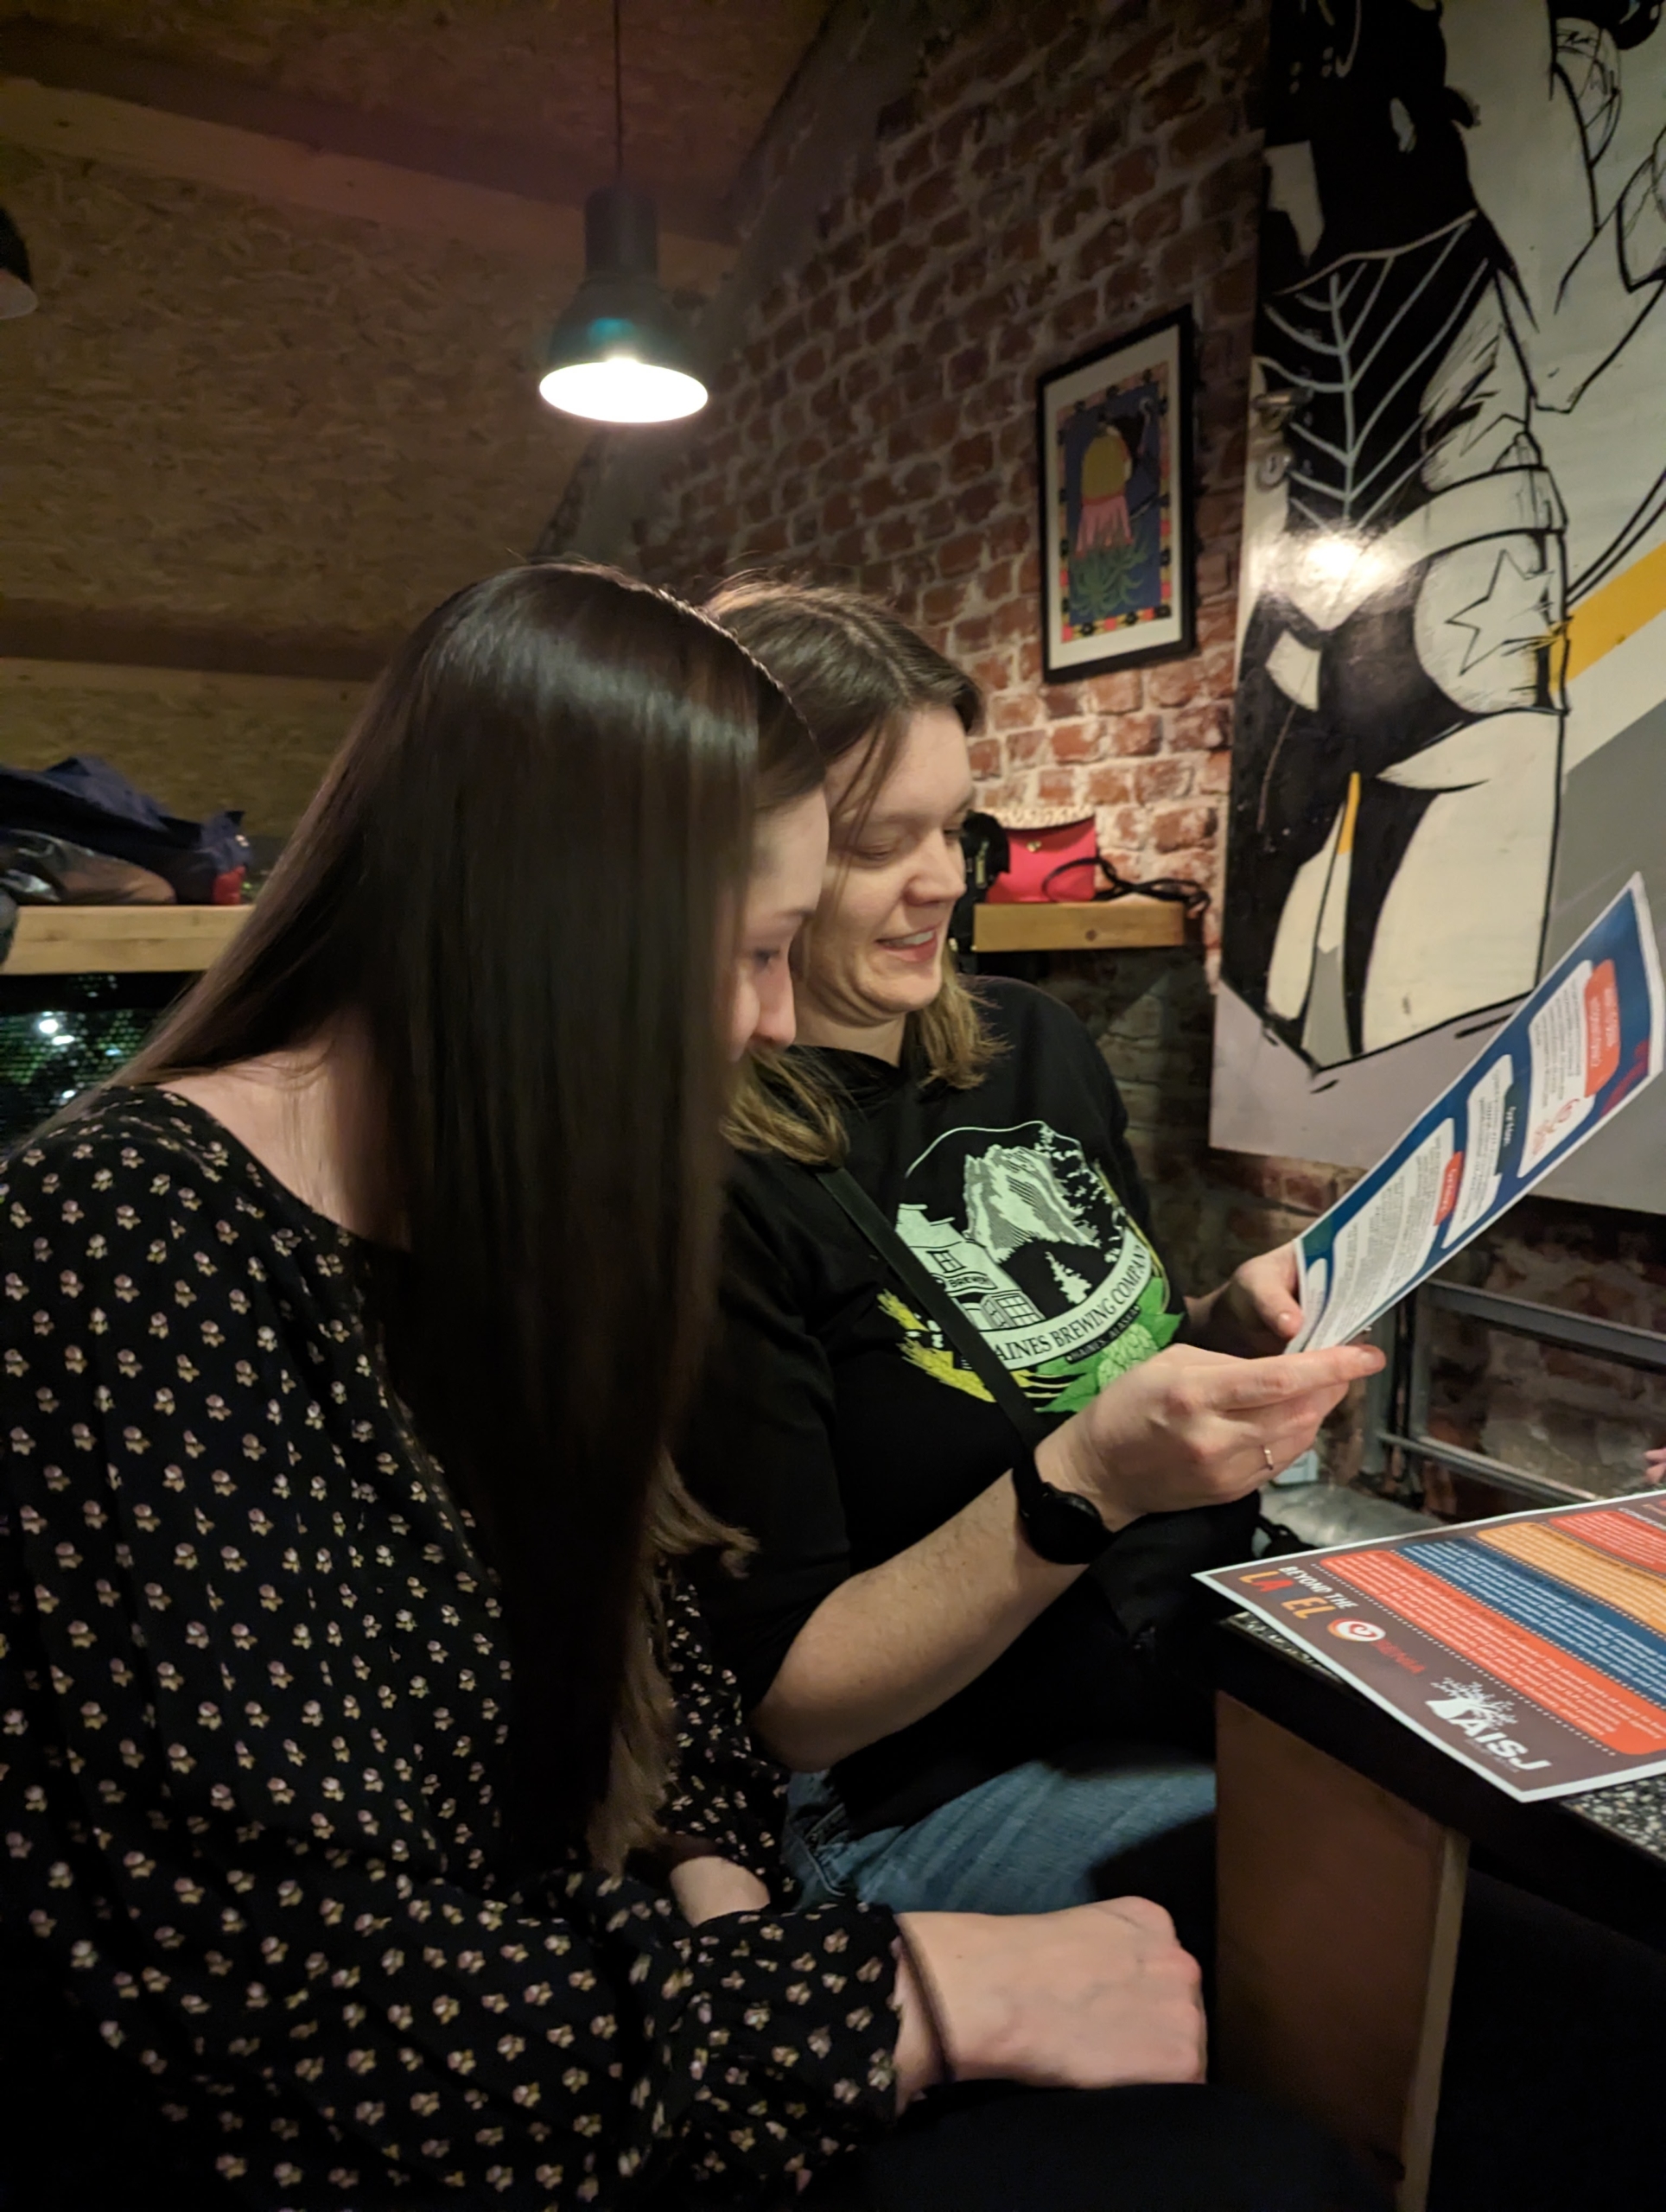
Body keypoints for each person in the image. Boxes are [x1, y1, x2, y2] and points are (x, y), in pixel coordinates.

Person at [0, 562, 1381, 2212]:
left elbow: (666, 1677)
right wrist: (901, 2001)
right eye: (751, 953)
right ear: (553, 929)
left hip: (630, 2032)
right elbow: (282, 2009)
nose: (776, 1022)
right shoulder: (120, 1234)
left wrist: (731, 1906)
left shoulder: (511, 1216)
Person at [680, 579, 1383, 1920]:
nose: (946, 880)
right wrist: (1088, 1482)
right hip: (931, 1776)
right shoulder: (713, 1186)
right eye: (877, 843)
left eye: (957, 826)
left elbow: (1078, 1353)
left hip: (1193, 1635)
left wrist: (1218, 1329)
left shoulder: (1028, 1041)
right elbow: (797, 1708)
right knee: (1415, 1912)